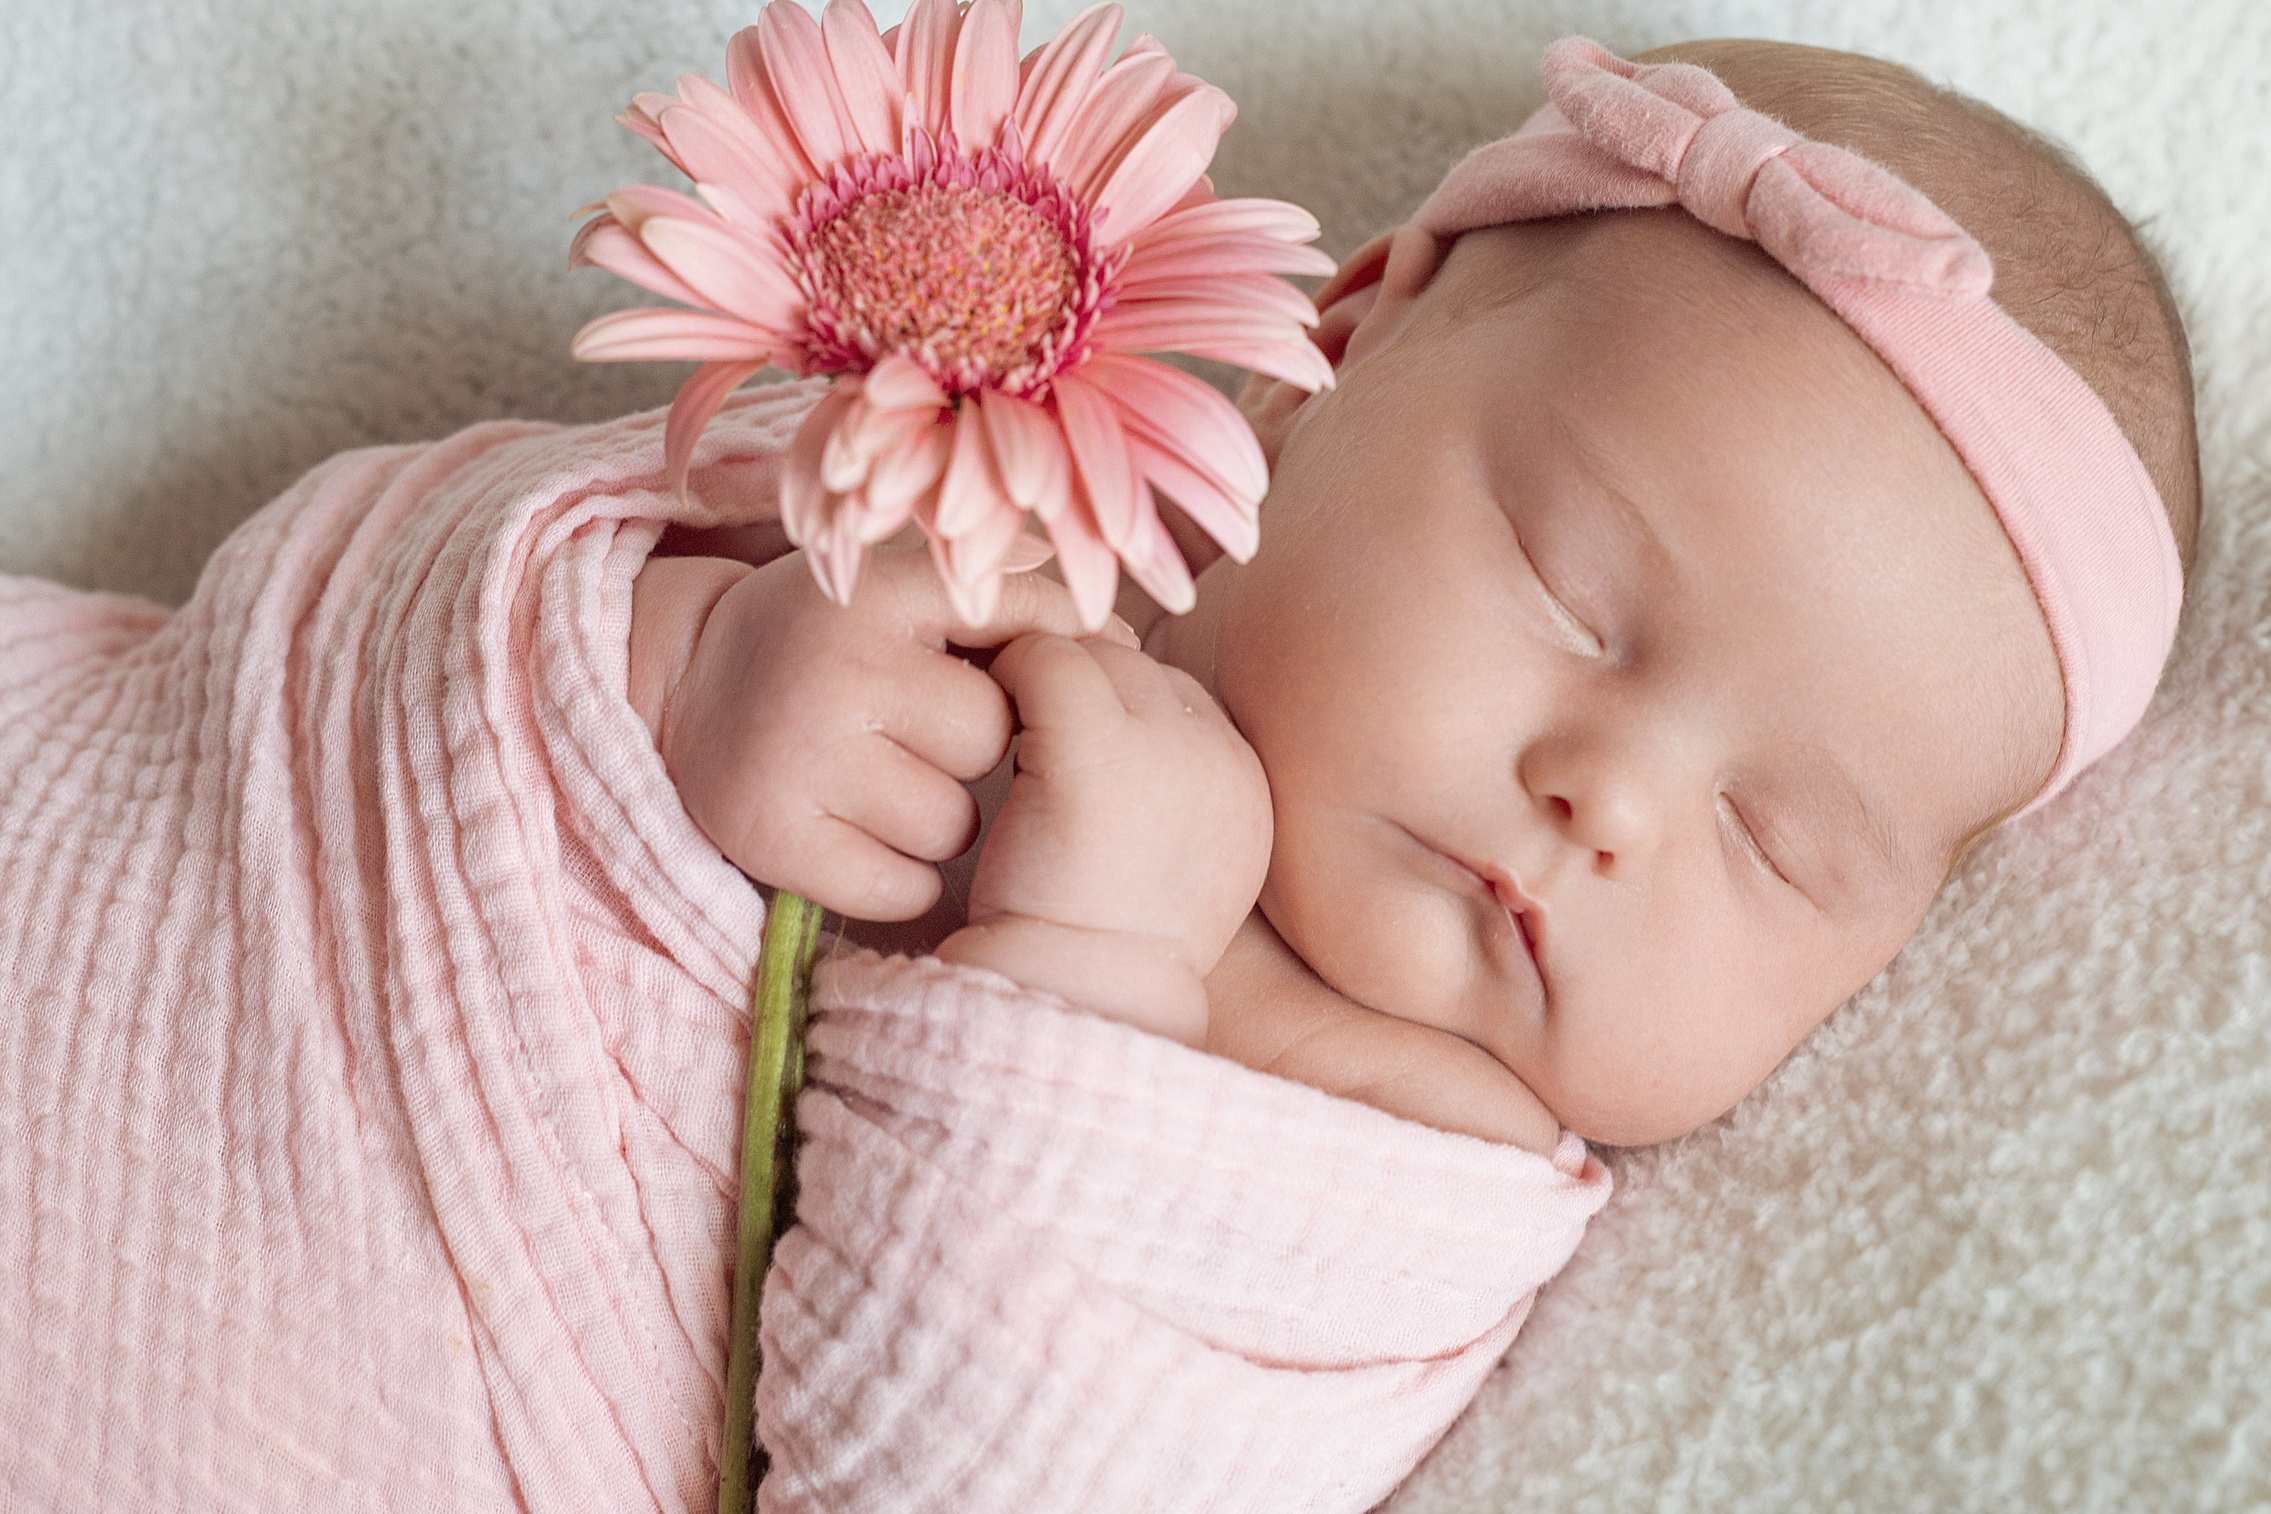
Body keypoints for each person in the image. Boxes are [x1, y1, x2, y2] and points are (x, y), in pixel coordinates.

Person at [0, 34, 2195, 1514]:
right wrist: (684, 660)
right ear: (1337, 339)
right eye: (1570, 588)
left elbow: (985, 1465)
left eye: (1771, 839)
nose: (1603, 797)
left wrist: (1087, 971)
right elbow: (342, 605)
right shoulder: (970, 504)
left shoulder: (1409, 1151)